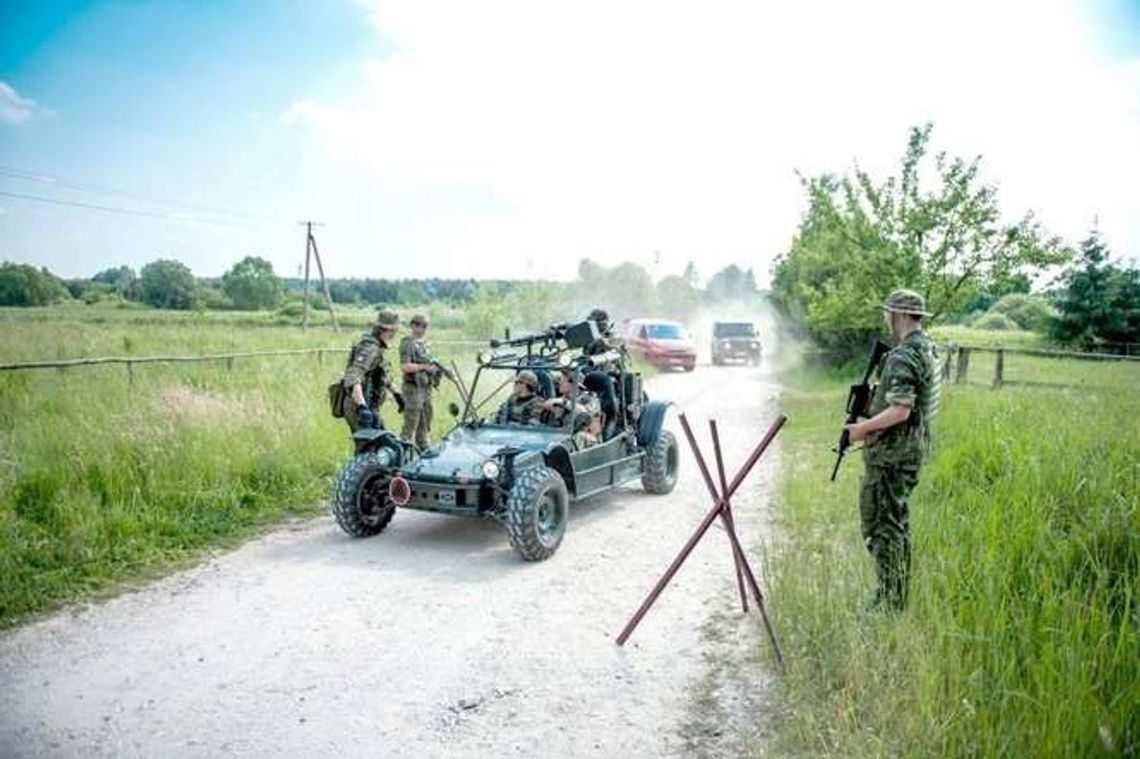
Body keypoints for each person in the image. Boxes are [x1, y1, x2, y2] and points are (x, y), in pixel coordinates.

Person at [844, 289, 940, 611]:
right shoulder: (925, 348)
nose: (886, 318)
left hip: (892, 456)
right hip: (909, 452)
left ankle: (888, 603)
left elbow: (901, 410)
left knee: (884, 528)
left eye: (888, 312)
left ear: (897, 315)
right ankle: (894, 598)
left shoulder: (903, 355)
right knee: (896, 525)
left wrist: (861, 430)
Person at [341, 310, 400, 433]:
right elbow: (353, 376)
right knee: (369, 448)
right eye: (394, 331)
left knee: (382, 442)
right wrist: (362, 407)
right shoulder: (370, 348)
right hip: (358, 406)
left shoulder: (377, 347)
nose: (394, 335)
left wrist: (397, 394)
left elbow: (381, 374)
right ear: (386, 330)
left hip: (369, 405)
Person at [399, 313, 440, 448]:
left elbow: (431, 364)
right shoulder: (407, 343)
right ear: (412, 325)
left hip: (425, 388)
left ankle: (423, 448)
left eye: (424, 326)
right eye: (417, 325)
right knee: (410, 424)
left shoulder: (425, 345)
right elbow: (405, 366)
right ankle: (403, 452)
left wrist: (436, 371)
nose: (420, 329)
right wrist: (425, 367)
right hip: (413, 388)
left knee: (425, 420)